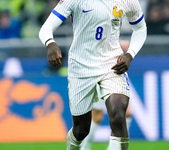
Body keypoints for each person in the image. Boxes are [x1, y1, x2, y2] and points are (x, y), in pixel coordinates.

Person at [39, 0, 147, 150]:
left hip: (112, 64)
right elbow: (46, 27)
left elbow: (140, 28)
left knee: (119, 114)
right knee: (81, 131)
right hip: (80, 67)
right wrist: (51, 43)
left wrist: (130, 54)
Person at [81, 41, 133, 150]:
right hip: (99, 71)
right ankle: (84, 147)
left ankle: (114, 148)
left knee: (126, 113)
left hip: (114, 73)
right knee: (97, 116)